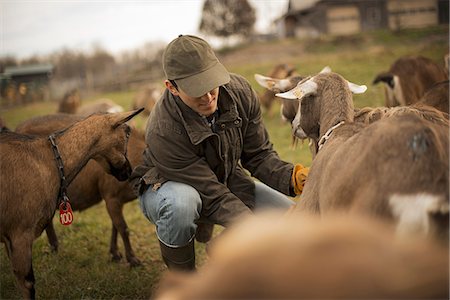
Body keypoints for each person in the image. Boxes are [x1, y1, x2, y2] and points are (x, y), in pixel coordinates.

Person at [131, 34, 308, 271]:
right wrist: (248, 226)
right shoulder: (163, 129)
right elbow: (211, 195)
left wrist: (291, 177)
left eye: (210, 83)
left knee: (293, 221)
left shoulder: (240, 93)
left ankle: (222, 247)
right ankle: (184, 280)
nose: (208, 97)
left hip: (224, 176)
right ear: (171, 87)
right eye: (196, 90)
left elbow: (258, 155)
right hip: (167, 185)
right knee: (182, 204)